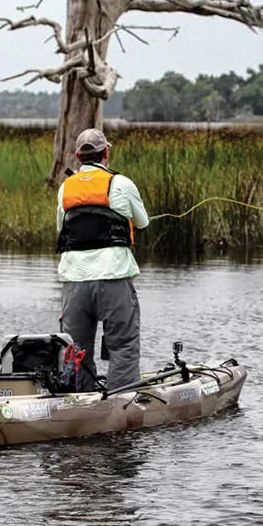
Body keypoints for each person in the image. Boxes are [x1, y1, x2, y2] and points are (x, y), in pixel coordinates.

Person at [56, 128, 150, 392]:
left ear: (77, 155)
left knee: (76, 351)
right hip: (114, 279)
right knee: (123, 346)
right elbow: (142, 222)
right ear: (106, 153)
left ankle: (80, 403)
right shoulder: (122, 183)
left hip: (74, 282)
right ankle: (120, 404)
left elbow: (60, 227)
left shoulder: (65, 188)